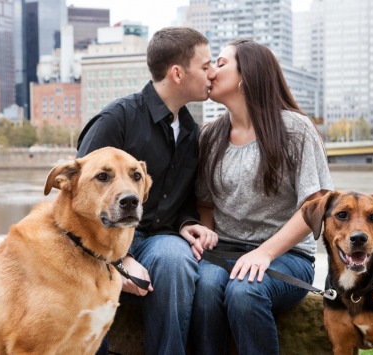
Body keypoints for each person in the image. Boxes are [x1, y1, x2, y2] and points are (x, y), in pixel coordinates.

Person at [76, 27, 218, 355]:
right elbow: (77, 198)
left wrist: (185, 222)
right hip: (102, 241)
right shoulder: (117, 119)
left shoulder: (191, 132)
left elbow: (177, 200)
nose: (212, 73)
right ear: (178, 73)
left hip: (157, 240)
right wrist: (120, 259)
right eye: (206, 65)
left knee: (174, 259)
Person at [189, 39, 334, 354]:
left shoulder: (296, 130)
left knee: (245, 292)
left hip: (287, 255)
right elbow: (204, 201)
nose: (211, 71)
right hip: (224, 251)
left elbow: (316, 203)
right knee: (205, 287)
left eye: (221, 63)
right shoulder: (209, 135)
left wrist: (265, 253)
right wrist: (206, 231)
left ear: (247, 76)